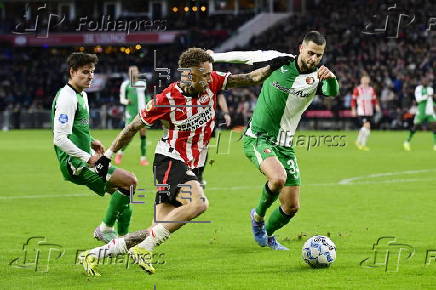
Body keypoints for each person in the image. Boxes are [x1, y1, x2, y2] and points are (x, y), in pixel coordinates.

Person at [78, 48, 292, 276]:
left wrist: (273, 66)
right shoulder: (166, 99)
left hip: (194, 165)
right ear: (190, 74)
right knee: (199, 204)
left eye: (211, 74)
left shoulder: (212, 82)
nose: (211, 79)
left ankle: (93, 254)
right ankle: (144, 249)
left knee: (158, 227)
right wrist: (108, 156)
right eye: (206, 75)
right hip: (170, 160)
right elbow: (133, 127)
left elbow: (250, 78)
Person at [212, 31, 339, 250]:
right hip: (258, 138)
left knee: (291, 206)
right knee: (278, 178)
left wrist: (332, 79)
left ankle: (268, 235)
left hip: (285, 146)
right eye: (310, 53)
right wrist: (214, 57)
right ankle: (258, 218)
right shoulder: (279, 60)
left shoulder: (318, 77)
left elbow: (331, 93)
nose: (314, 59)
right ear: (301, 48)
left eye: (319, 55)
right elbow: (246, 57)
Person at [51, 52, 137, 243]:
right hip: (75, 164)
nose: (90, 76)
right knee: (129, 181)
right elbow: (59, 138)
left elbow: (76, 128)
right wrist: (87, 157)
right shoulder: (67, 97)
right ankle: (105, 230)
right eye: (85, 72)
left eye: (92, 72)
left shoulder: (81, 95)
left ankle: (123, 242)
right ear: (72, 72)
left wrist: (91, 140)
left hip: (84, 158)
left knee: (124, 194)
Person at [114, 66, 150, 166]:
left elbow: (147, 96)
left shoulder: (143, 84)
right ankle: (120, 154)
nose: (134, 72)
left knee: (143, 134)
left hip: (142, 113)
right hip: (131, 113)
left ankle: (143, 159)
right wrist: (127, 101)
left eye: (135, 71)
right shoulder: (125, 84)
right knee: (129, 136)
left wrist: (148, 103)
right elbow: (121, 99)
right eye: (131, 71)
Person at [403, 76, 435, 151]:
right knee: (416, 127)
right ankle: (407, 141)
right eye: (424, 81)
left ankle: (435, 145)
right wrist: (427, 96)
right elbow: (418, 100)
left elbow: (431, 100)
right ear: (421, 82)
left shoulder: (431, 89)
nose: (426, 82)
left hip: (429, 111)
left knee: (434, 126)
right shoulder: (418, 89)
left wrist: (434, 106)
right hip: (421, 111)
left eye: (427, 81)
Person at [352, 75, 380, 151]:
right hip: (361, 111)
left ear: (369, 80)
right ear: (361, 80)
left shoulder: (371, 89)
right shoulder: (357, 89)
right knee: (367, 127)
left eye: (367, 79)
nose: (365, 81)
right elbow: (353, 100)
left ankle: (360, 143)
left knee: (366, 130)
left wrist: (376, 105)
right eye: (364, 79)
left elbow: (374, 99)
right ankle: (360, 143)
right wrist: (353, 109)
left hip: (369, 111)